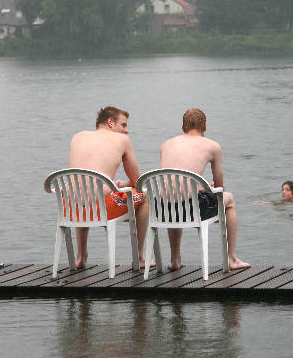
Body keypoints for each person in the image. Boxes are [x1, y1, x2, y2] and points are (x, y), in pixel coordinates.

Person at [159, 108, 250, 271]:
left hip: (163, 209)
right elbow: (220, 187)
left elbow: (174, 182)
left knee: (175, 200)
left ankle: (174, 260)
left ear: (183, 128)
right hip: (191, 210)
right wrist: (210, 190)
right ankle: (231, 258)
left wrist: (199, 189)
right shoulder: (212, 146)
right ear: (205, 127)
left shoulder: (166, 145)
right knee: (229, 199)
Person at [68, 106, 149, 269]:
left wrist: (114, 185)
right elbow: (137, 182)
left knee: (84, 193)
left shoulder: (78, 137)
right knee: (145, 197)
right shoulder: (122, 141)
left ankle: (81, 256)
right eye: (123, 125)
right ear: (110, 122)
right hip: (100, 207)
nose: (126, 131)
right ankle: (139, 256)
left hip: (72, 208)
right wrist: (121, 185)